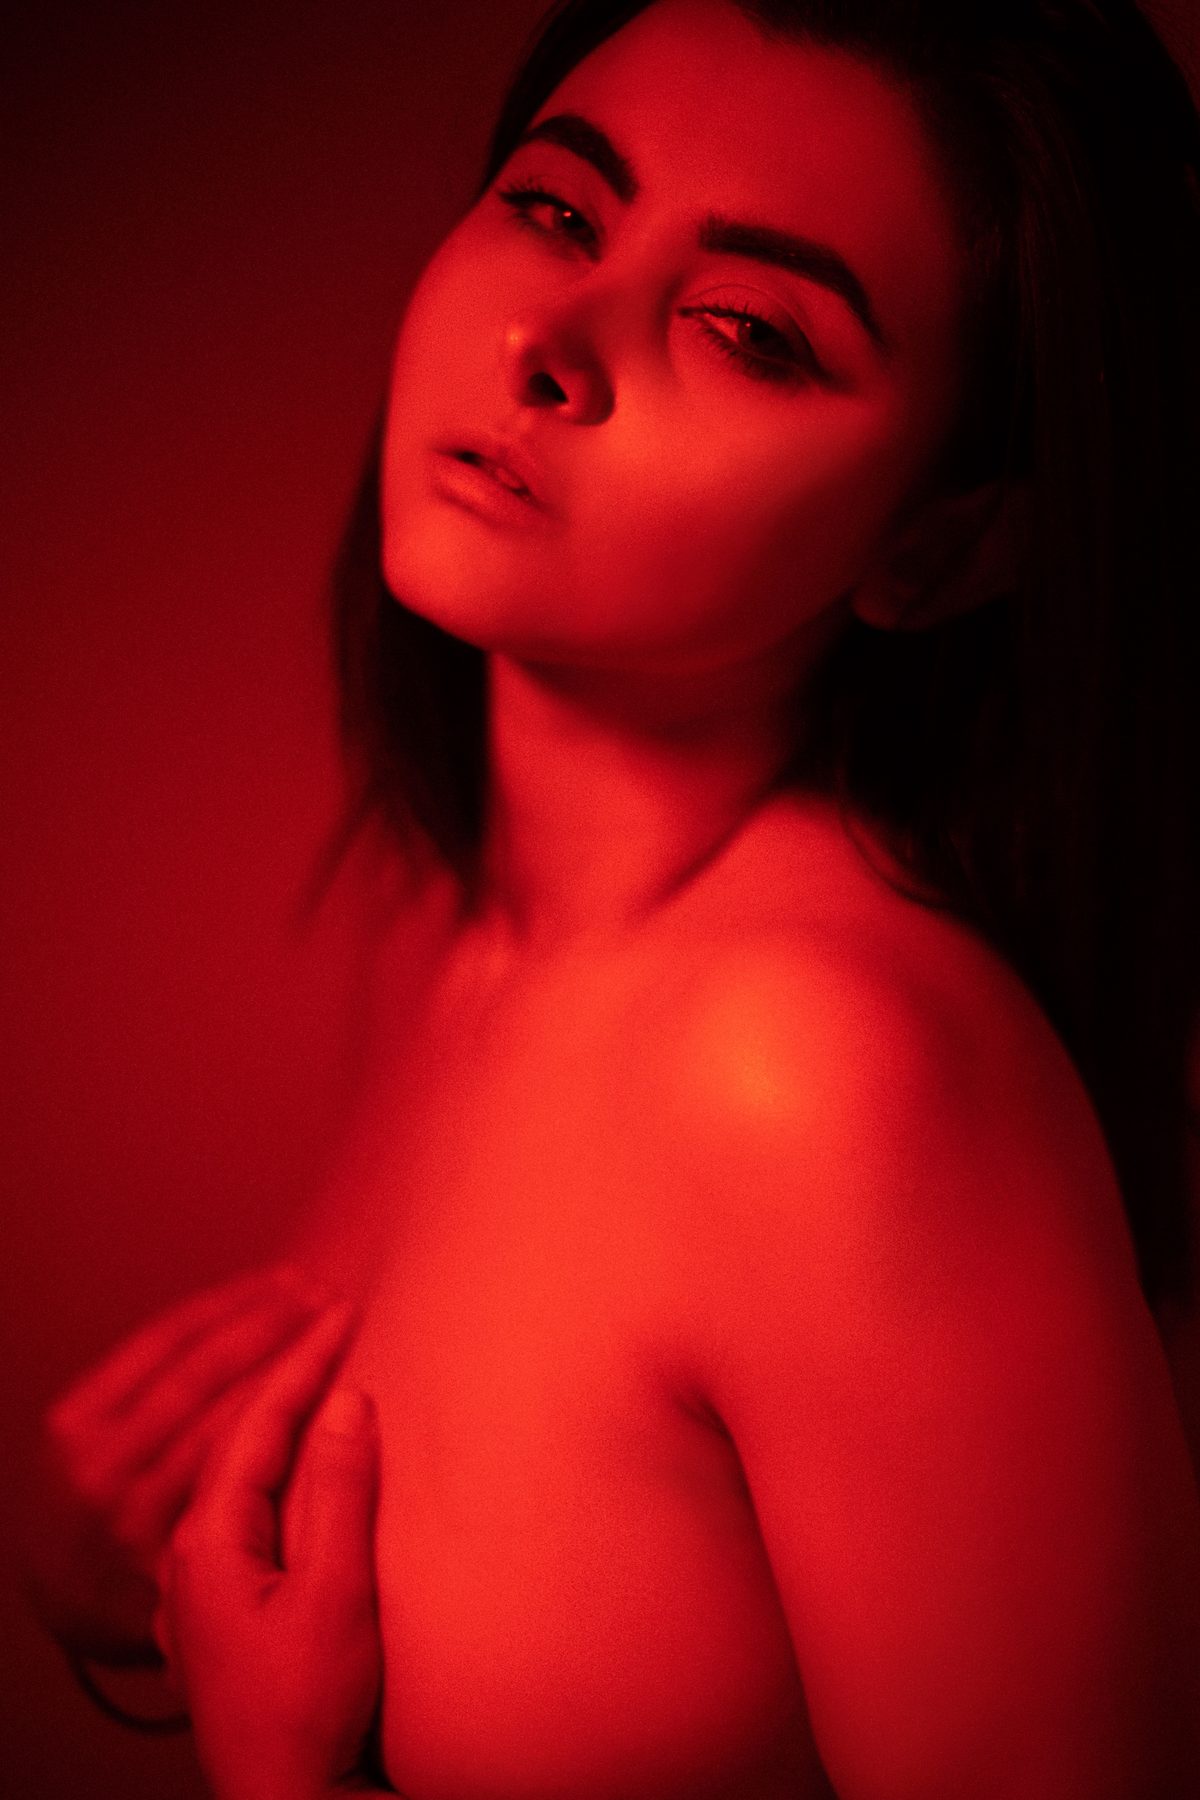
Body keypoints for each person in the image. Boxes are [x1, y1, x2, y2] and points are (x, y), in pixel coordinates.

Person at [22, 0, 1200, 1794]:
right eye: (559, 209)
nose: (548, 343)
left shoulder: (820, 1073)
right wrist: (116, 1593)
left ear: (943, 542)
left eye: (750, 330)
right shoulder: (465, 930)